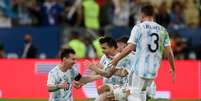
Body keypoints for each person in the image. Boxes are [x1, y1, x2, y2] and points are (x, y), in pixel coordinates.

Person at [110, 4, 175, 101]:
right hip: (153, 70)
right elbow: (169, 52)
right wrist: (172, 67)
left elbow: (130, 47)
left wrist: (116, 59)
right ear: (153, 15)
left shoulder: (139, 27)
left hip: (139, 69)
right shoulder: (163, 30)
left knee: (131, 95)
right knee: (142, 92)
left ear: (142, 15)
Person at [86, 36, 132, 101]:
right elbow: (98, 71)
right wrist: (85, 80)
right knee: (101, 90)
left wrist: (98, 68)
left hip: (121, 86)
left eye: (104, 48)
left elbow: (108, 73)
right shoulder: (104, 57)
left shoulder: (121, 58)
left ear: (113, 48)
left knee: (103, 92)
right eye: (101, 48)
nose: (102, 51)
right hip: (109, 86)